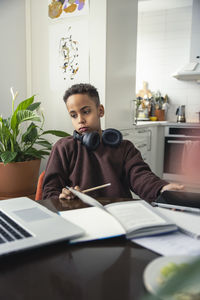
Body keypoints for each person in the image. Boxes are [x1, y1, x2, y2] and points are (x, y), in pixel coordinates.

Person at [42, 83, 183, 203]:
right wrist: (62, 197)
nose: (80, 120)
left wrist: (162, 188)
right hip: (80, 217)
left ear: (100, 111)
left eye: (86, 112)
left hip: (119, 216)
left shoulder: (124, 147)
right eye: (74, 115)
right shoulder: (63, 148)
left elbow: (140, 176)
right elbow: (49, 192)